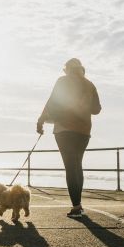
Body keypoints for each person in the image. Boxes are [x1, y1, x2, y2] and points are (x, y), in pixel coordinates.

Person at [37, 58, 101, 218]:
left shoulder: (63, 81)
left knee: (70, 166)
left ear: (67, 69)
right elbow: (96, 109)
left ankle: (76, 207)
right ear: (81, 69)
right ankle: (78, 205)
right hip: (84, 131)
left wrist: (40, 120)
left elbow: (52, 102)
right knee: (77, 165)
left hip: (64, 129)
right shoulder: (90, 85)